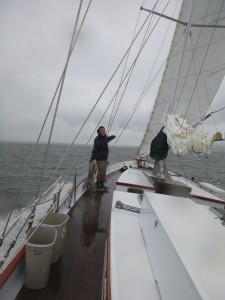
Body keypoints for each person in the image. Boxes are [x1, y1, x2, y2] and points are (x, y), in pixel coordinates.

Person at [90, 126, 116, 191]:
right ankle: (98, 186)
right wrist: (92, 158)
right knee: (100, 173)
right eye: (101, 130)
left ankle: (102, 185)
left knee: (104, 172)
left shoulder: (104, 137)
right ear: (98, 131)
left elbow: (108, 139)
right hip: (100, 159)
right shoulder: (97, 139)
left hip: (105, 158)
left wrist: (113, 137)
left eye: (104, 130)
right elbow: (94, 150)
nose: (103, 131)